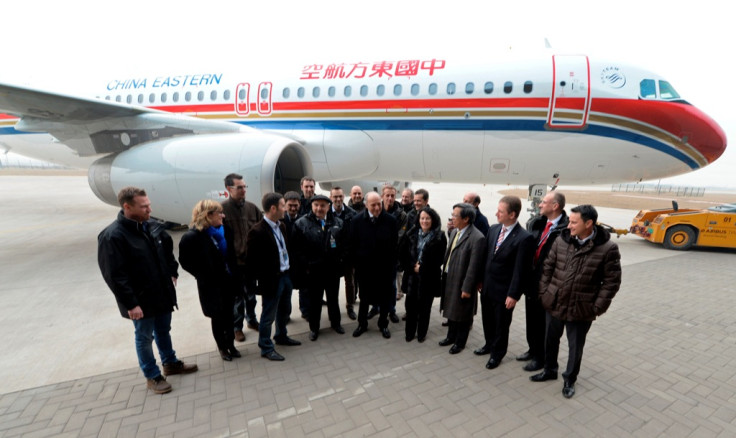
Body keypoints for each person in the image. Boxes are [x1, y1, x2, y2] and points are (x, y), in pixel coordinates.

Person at [98, 187, 198, 395]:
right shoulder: (113, 236)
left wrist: (172, 272)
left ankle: (169, 363)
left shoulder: (152, 227)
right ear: (127, 207)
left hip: (161, 293)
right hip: (140, 300)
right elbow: (115, 275)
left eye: (149, 205)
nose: (149, 209)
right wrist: (130, 303)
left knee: (163, 330)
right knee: (144, 337)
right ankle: (152, 375)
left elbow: (167, 249)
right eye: (144, 207)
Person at [531, 204, 621, 398]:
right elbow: (548, 267)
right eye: (569, 221)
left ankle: (569, 379)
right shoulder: (561, 240)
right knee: (550, 339)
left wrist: (596, 307)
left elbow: (612, 282)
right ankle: (549, 370)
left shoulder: (607, 248)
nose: (568, 226)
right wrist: (545, 293)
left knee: (575, 347)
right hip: (554, 301)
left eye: (573, 222)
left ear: (589, 223)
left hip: (581, 308)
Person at [475, 196, 534, 369]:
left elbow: (521, 270)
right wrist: (479, 280)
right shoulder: (493, 229)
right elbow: (485, 257)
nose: (496, 213)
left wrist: (514, 294)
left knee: (501, 325)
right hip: (486, 287)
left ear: (512, 214)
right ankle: (488, 344)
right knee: (488, 320)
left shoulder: (524, 238)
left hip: (504, 292)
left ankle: (497, 353)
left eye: (501, 211)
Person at [179, 200, 242, 361]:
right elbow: (185, 261)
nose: (223, 215)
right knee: (217, 317)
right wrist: (202, 274)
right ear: (208, 216)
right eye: (219, 213)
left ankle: (231, 345)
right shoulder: (192, 237)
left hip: (228, 281)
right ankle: (222, 348)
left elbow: (231, 256)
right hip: (211, 286)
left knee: (229, 315)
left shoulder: (225, 230)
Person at [245, 192, 302, 361]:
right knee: (268, 315)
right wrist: (253, 285)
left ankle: (281, 336)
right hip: (271, 281)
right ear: (273, 208)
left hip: (286, 276)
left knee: (284, 310)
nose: (285, 209)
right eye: (283, 205)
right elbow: (251, 262)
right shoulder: (257, 231)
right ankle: (266, 347)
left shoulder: (281, 226)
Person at [518, 191, 568, 372]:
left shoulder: (565, 229)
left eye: (544, 202)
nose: (539, 205)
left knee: (543, 326)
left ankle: (541, 359)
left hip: (548, 287)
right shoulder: (538, 223)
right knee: (531, 321)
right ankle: (532, 350)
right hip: (532, 283)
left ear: (555, 206)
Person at [291, 194, 345, 341]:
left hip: (332, 271)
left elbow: (342, 246)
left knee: (333, 299)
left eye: (323, 205)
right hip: (313, 272)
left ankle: (336, 324)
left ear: (329, 207)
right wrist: (306, 266)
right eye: (316, 205)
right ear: (312, 206)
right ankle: (314, 328)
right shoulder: (301, 223)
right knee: (314, 302)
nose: (319, 208)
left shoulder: (338, 223)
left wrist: (340, 264)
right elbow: (297, 250)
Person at [349, 192, 398, 339]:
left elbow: (394, 246)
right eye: (373, 205)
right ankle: (362, 324)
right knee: (364, 298)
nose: (377, 207)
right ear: (366, 205)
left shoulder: (390, 221)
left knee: (384, 299)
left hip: (385, 269)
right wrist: (357, 266)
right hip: (365, 269)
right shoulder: (357, 221)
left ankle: (383, 324)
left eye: (379, 204)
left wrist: (392, 266)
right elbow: (353, 245)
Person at [439, 203, 486, 354]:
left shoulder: (477, 238)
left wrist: (467, 288)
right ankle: (450, 336)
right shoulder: (454, 232)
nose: (451, 218)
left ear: (466, 219)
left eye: (454, 215)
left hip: (463, 281)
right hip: (450, 277)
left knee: (463, 314)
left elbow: (474, 267)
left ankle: (460, 342)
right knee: (451, 310)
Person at [221, 173, 262, 343]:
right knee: (237, 298)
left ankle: (251, 320)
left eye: (245, 186)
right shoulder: (221, 210)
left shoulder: (252, 208)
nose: (243, 190)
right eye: (239, 187)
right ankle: (237, 327)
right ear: (229, 189)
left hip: (251, 262)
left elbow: (262, 232)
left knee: (251, 295)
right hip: (233, 264)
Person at [399, 207, 447, 342]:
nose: (424, 221)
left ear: (433, 220)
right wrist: (412, 266)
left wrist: (423, 268)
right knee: (410, 306)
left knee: (425, 308)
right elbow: (402, 254)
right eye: (422, 218)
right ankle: (409, 332)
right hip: (411, 278)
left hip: (428, 278)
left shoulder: (440, 236)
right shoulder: (411, 234)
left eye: (427, 218)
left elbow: (440, 258)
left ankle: (421, 333)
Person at [367, 185, 406, 322]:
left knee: (391, 286)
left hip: (391, 258)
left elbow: (400, 236)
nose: (390, 198)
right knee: (375, 284)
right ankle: (375, 307)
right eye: (387, 195)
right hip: (375, 258)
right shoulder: (375, 210)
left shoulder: (401, 214)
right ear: (382, 196)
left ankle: (391, 310)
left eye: (392, 196)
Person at [329, 187, 358, 320]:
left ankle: (350, 306)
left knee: (350, 282)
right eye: (335, 197)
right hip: (332, 257)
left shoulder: (352, 214)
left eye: (340, 196)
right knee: (333, 283)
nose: (338, 199)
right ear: (331, 197)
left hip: (348, 255)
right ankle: (333, 308)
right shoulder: (326, 213)